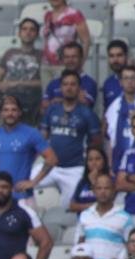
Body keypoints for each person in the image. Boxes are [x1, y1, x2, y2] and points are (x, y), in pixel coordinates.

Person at [37, 69, 101, 211]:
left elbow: (96, 142)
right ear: (60, 88)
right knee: (21, 184)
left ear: (79, 88)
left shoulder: (87, 113)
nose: (69, 87)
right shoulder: (52, 109)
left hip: (75, 168)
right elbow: (42, 137)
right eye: (65, 84)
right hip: (50, 166)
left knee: (70, 207)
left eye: (73, 84)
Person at [0, 18, 43, 124]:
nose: (28, 32)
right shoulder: (9, 53)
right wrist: (1, 85)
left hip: (31, 96)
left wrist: (18, 83)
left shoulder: (41, 55)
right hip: (9, 96)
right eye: (24, 29)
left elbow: (44, 82)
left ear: (37, 34)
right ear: (19, 33)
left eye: (32, 30)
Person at [41, 42, 96, 111]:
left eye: (74, 57)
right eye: (67, 57)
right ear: (63, 59)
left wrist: (55, 100)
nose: (70, 60)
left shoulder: (89, 83)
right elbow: (44, 106)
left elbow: (86, 104)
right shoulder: (54, 83)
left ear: (81, 58)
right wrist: (74, 99)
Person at [102, 39, 135, 113]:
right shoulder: (108, 83)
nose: (115, 60)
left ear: (126, 56)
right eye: (111, 56)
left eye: (119, 55)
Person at [41, 0, 89, 67]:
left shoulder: (74, 14)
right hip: (47, 63)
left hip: (66, 63)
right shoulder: (48, 15)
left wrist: (80, 64)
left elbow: (85, 41)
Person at [69, 144, 111, 214]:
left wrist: (93, 182)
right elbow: (72, 206)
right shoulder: (83, 182)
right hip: (83, 220)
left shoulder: (110, 180)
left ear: (104, 161)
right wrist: (92, 206)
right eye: (90, 160)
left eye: (97, 159)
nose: (94, 163)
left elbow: (105, 204)